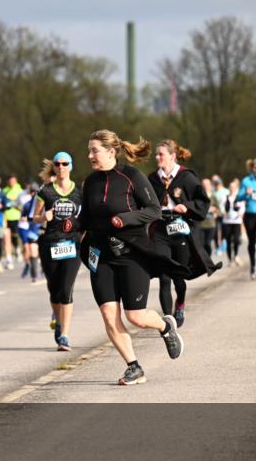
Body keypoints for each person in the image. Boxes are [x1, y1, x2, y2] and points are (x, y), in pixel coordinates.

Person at [77, 130, 189, 386]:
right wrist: (68, 224)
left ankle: (164, 326)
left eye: (94, 150)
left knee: (135, 316)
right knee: (108, 314)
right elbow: (85, 220)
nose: (90, 155)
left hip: (131, 254)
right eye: (89, 150)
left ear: (110, 151)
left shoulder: (131, 177)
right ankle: (133, 366)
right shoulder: (90, 182)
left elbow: (153, 211)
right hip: (100, 256)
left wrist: (124, 220)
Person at [147, 140, 210, 329]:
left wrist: (187, 207)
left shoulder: (186, 177)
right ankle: (168, 320)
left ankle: (180, 305)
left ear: (172, 156)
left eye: (161, 154)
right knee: (164, 276)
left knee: (178, 276)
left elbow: (202, 201)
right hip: (160, 229)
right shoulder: (152, 179)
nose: (157, 157)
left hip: (180, 230)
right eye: (156, 154)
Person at [33, 152, 82, 351]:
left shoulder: (79, 191)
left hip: (72, 245)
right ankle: (58, 320)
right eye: (58, 164)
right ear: (54, 166)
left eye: (65, 163)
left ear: (70, 166)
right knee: (54, 290)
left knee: (66, 289)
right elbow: (34, 217)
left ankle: (64, 336)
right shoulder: (45, 191)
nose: (61, 167)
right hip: (50, 244)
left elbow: (86, 216)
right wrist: (44, 216)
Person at [18, 183, 42, 283]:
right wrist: (24, 218)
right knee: (32, 250)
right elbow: (23, 217)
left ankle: (45, 268)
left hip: (43, 230)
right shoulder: (27, 205)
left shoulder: (44, 202)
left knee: (42, 252)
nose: (33, 194)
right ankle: (34, 275)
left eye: (35, 192)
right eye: (31, 192)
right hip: (32, 231)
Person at [221, 178, 245, 266]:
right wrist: (223, 212)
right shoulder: (225, 197)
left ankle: (236, 255)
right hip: (227, 222)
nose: (232, 189)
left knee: (236, 240)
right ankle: (230, 260)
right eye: (230, 187)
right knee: (228, 241)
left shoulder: (239, 197)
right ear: (229, 188)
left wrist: (240, 214)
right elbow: (221, 207)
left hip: (236, 222)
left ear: (236, 188)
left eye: (233, 187)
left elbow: (242, 207)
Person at [3, 174, 24, 269]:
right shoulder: (4, 191)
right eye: (10, 181)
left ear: (16, 181)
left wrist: (14, 202)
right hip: (6, 217)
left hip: (16, 217)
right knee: (7, 237)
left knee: (15, 235)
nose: (11, 183)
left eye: (13, 181)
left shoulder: (20, 191)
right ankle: (9, 258)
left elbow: (23, 205)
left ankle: (17, 248)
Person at [199, 178, 219, 257]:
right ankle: (204, 260)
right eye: (203, 184)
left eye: (207, 184)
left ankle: (208, 258)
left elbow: (219, 209)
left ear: (210, 185)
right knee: (202, 244)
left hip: (211, 224)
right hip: (201, 224)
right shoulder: (199, 196)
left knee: (207, 243)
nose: (205, 186)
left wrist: (215, 211)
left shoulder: (213, 197)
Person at [211, 175, 229, 256]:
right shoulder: (212, 191)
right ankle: (218, 247)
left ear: (221, 183)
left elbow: (229, 203)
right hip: (215, 214)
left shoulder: (226, 191)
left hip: (224, 214)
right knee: (215, 231)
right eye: (215, 184)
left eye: (218, 184)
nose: (217, 185)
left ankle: (223, 241)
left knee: (224, 230)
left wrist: (227, 211)